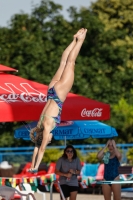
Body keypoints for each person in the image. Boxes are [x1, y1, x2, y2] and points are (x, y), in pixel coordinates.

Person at [29, 28, 87, 173]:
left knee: (70, 63)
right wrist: (31, 165)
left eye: (48, 140)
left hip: (59, 93)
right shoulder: (39, 124)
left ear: (46, 137)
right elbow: (36, 147)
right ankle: (74, 39)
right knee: (62, 63)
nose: (49, 140)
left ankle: (80, 40)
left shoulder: (47, 129)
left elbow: (41, 148)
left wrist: (36, 167)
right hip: (50, 91)